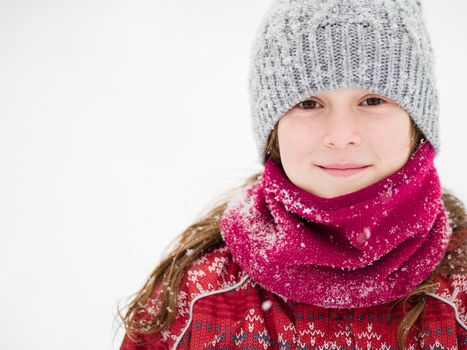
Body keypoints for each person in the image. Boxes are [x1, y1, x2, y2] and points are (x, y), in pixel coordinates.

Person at [117, 0, 466, 348]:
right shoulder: (200, 296)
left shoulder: (460, 291)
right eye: (309, 104)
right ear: (273, 131)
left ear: (417, 124)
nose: (341, 135)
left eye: (373, 100)